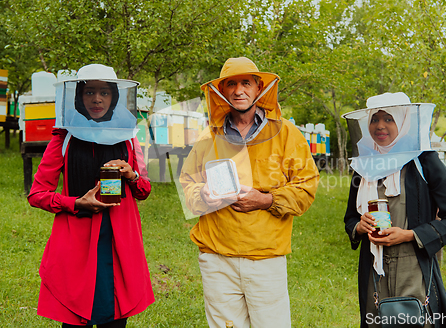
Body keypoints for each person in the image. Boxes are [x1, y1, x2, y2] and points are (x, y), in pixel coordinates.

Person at [180, 57, 319, 327]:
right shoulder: (208, 136)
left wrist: (266, 200)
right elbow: (188, 184)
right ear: (220, 92)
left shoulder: (287, 133)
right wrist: (204, 196)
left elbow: (306, 187)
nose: (238, 90)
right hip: (217, 257)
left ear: (259, 88)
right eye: (230, 84)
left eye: (246, 83)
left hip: (266, 258)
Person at [27, 64, 155, 327]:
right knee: (75, 316)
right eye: (90, 92)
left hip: (119, 242)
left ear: (114, 97)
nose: (97, 99)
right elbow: (37, 193)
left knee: (116, 318)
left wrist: (131, 175)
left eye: (104, 93)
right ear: (78, 97)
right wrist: (75, 202)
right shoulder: (64, 137)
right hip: (77, 241)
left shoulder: (129, 137)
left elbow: (144, 190)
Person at [343, 92, 446, 328]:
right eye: (374, 119)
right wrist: (359, 226)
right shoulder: (363, 165)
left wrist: (410, 234)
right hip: (373, 267)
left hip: (413, 266)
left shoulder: (423, 160)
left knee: (414, 321)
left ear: (403, 121)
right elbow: (350, 217)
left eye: (389, 119)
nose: (380, 126)